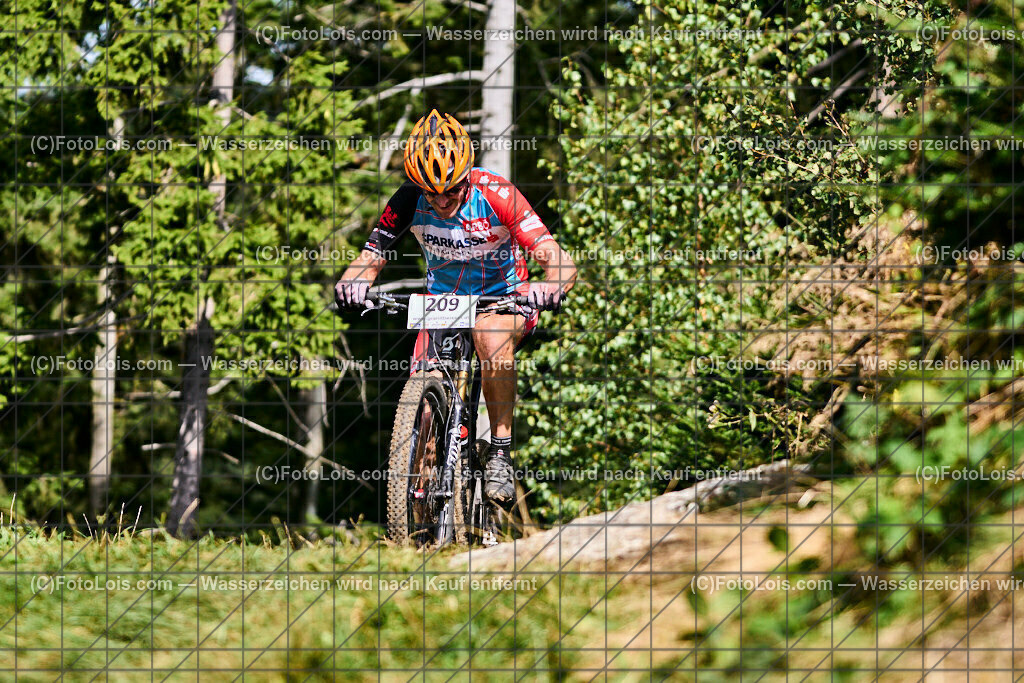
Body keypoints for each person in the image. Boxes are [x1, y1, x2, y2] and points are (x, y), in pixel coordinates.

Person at [335, 109, 576, 504]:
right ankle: (421, 512)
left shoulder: (496, 193)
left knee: (489, 336)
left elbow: (554, 255)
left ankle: (500, 452)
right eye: (432, 193)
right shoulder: (408, 199)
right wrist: (352, 283)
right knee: (424, 411)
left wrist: (551, 285)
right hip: (444, 302)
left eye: (452, 189)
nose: (442, 200)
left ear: (466, 176)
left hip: (504, 296)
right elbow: (372, 254)